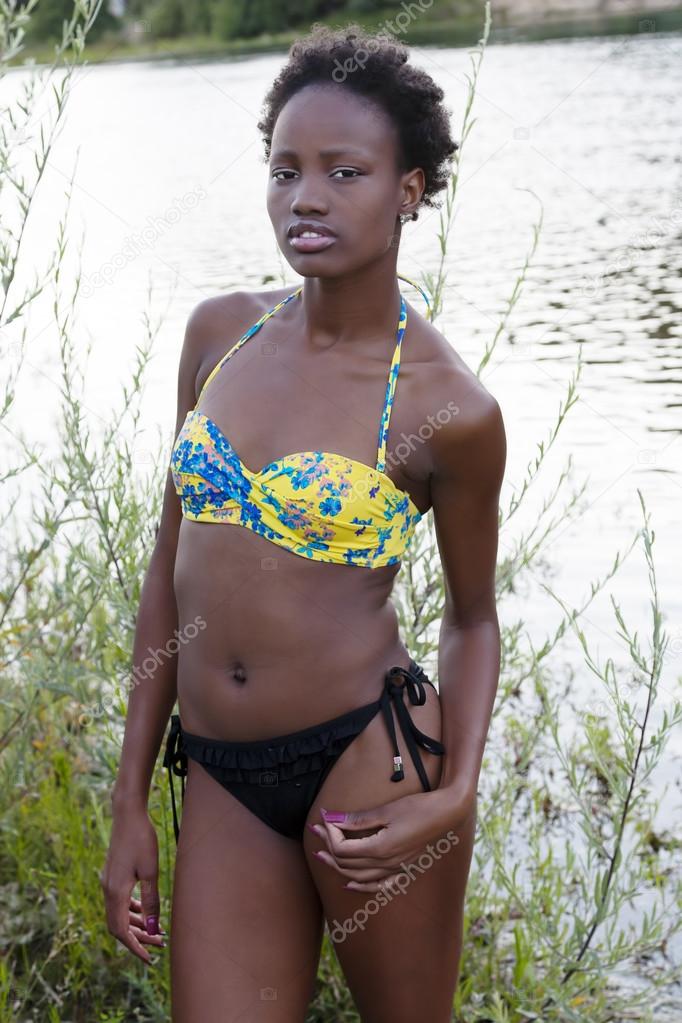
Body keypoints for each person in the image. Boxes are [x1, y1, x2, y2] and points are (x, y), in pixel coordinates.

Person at [101, 22, 506, 1023]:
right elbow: (169, 569)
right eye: (284, 171)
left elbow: (470, 619)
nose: (306, 198)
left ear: (408, 189)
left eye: (344, 171)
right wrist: (128, 800)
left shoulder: (444, 407)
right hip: (224, 777)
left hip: (372, 763)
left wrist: (453, 795)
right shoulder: (218, 338)